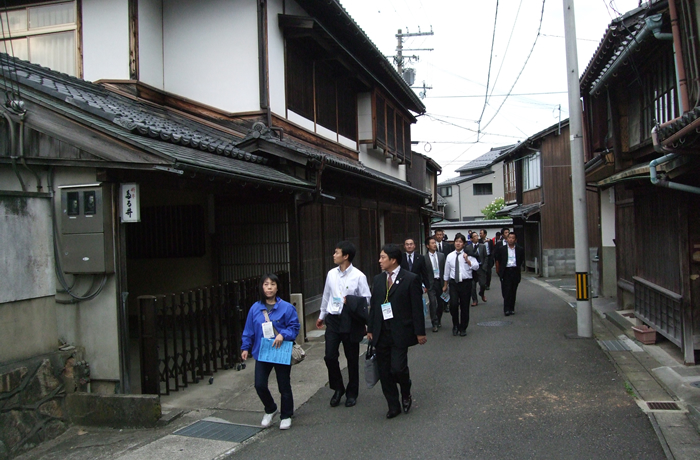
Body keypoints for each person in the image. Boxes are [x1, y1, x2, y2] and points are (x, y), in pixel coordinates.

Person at [367, 244, 427, 419]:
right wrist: (370, 328)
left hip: (400, 331)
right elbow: (374, 306)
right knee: (384, 372)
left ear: (393, 260)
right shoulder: (378, 279)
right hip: (381, 332)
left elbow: (416, 308)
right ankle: (393, 405)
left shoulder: (410, 278)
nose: (379, 260)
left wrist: (420, 332)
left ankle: (405, 390)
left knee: (398, 368)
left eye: (383, 257)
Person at [241, 273, 300, 430]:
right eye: (266, 284)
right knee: (259, 384)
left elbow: (294, 327)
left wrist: (283, 334)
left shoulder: (286, 307)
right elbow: (249, 329)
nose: (269, 288)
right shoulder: (255, 308)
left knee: (284, 385)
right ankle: (270, 408)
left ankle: (286, 415)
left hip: (281, 350)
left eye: (272, 284)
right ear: (262, 287)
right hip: (263, 351)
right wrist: (245, 347)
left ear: (277, 287)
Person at [316, 241, 371, 408]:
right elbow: (326, 295)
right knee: (330, 356)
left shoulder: (359, 276)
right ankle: (338, 387)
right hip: (333, 318)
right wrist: (321, 315)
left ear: (346, 256)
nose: (334, 255)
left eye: (337, 252)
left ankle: (352, 393)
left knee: (352, 358)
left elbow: (367, 298)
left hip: (350, 319)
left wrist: (351, 301)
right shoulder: (331, 274)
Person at [442, 233, 479, 336]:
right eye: (456, 241)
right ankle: (455, 325)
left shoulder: (469, 254)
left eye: (460, 242)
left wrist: (467, 260)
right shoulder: (450, 256)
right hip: (454, 283)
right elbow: (446, 271)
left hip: (466, 283)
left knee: (464, 306)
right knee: (453, 305)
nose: (458, 243)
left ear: (464, 244)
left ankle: (463, 327)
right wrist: (445, 285)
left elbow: (476, 266)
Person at [494, 232, 525, 316]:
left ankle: (512, 308)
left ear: (515, 240)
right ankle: (506, 309)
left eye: (513, 238)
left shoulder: (519, 249)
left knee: (513, 290)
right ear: (507, 239)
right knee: (507, 290)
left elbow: (521, 259)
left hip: (515, 270)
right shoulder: (502, 249)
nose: (511, 239)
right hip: (506, 271)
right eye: (509, 238)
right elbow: (499, 259)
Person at [424, 236, 446, 332]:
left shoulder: (441, 256)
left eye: (435, 243)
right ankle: (434, 322)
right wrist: (424, 285)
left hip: (440, 282)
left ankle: (439, 318)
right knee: (433, 302)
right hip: (430, 283)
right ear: (427, 246)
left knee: (441, 303)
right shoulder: (424, 258)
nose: (434, 245)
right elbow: (423, 273)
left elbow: (445, 269)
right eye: (432, 243)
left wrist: (446, 283)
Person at [468, 231, 488, 306]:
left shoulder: (482, 246)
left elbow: (486, 257)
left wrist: (484, 266)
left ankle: (481, 293)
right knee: (472, 286)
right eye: (475, 236)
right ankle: (475, 300)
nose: (477, 237)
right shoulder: (468, 247)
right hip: (472, 268)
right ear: (471, 239)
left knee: (483, 284)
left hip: (480, 267)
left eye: (477, 236)